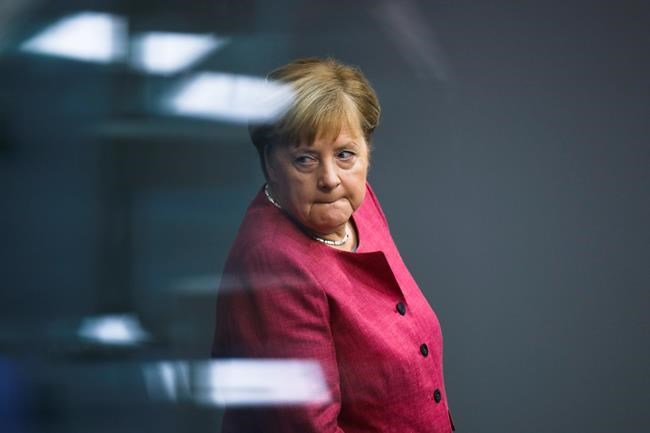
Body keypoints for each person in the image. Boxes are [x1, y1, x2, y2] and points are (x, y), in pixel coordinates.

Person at [211, 57, 455, 433]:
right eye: (305, 159)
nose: (329, 179)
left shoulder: (358, 206)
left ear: (366, 152)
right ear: (270, 164)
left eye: (344, 155)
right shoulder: (273, 264)